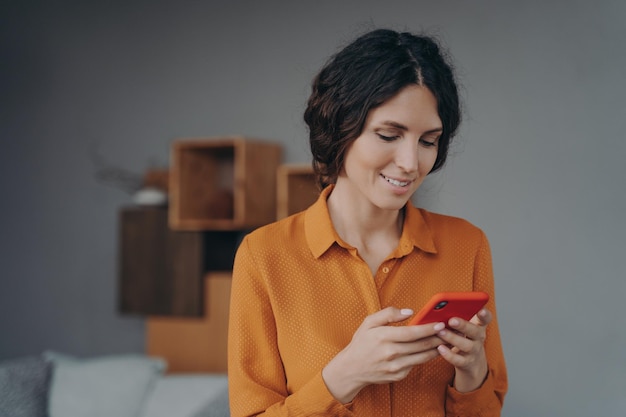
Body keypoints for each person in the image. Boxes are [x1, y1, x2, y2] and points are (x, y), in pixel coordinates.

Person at [228, 28, 508, 416]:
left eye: (428, 141)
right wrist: (344, 376)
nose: (411, 163)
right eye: (389, 134)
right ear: (341, 128)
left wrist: (472, 368)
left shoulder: (467, 245)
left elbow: (488, 410)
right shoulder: (264, 256)